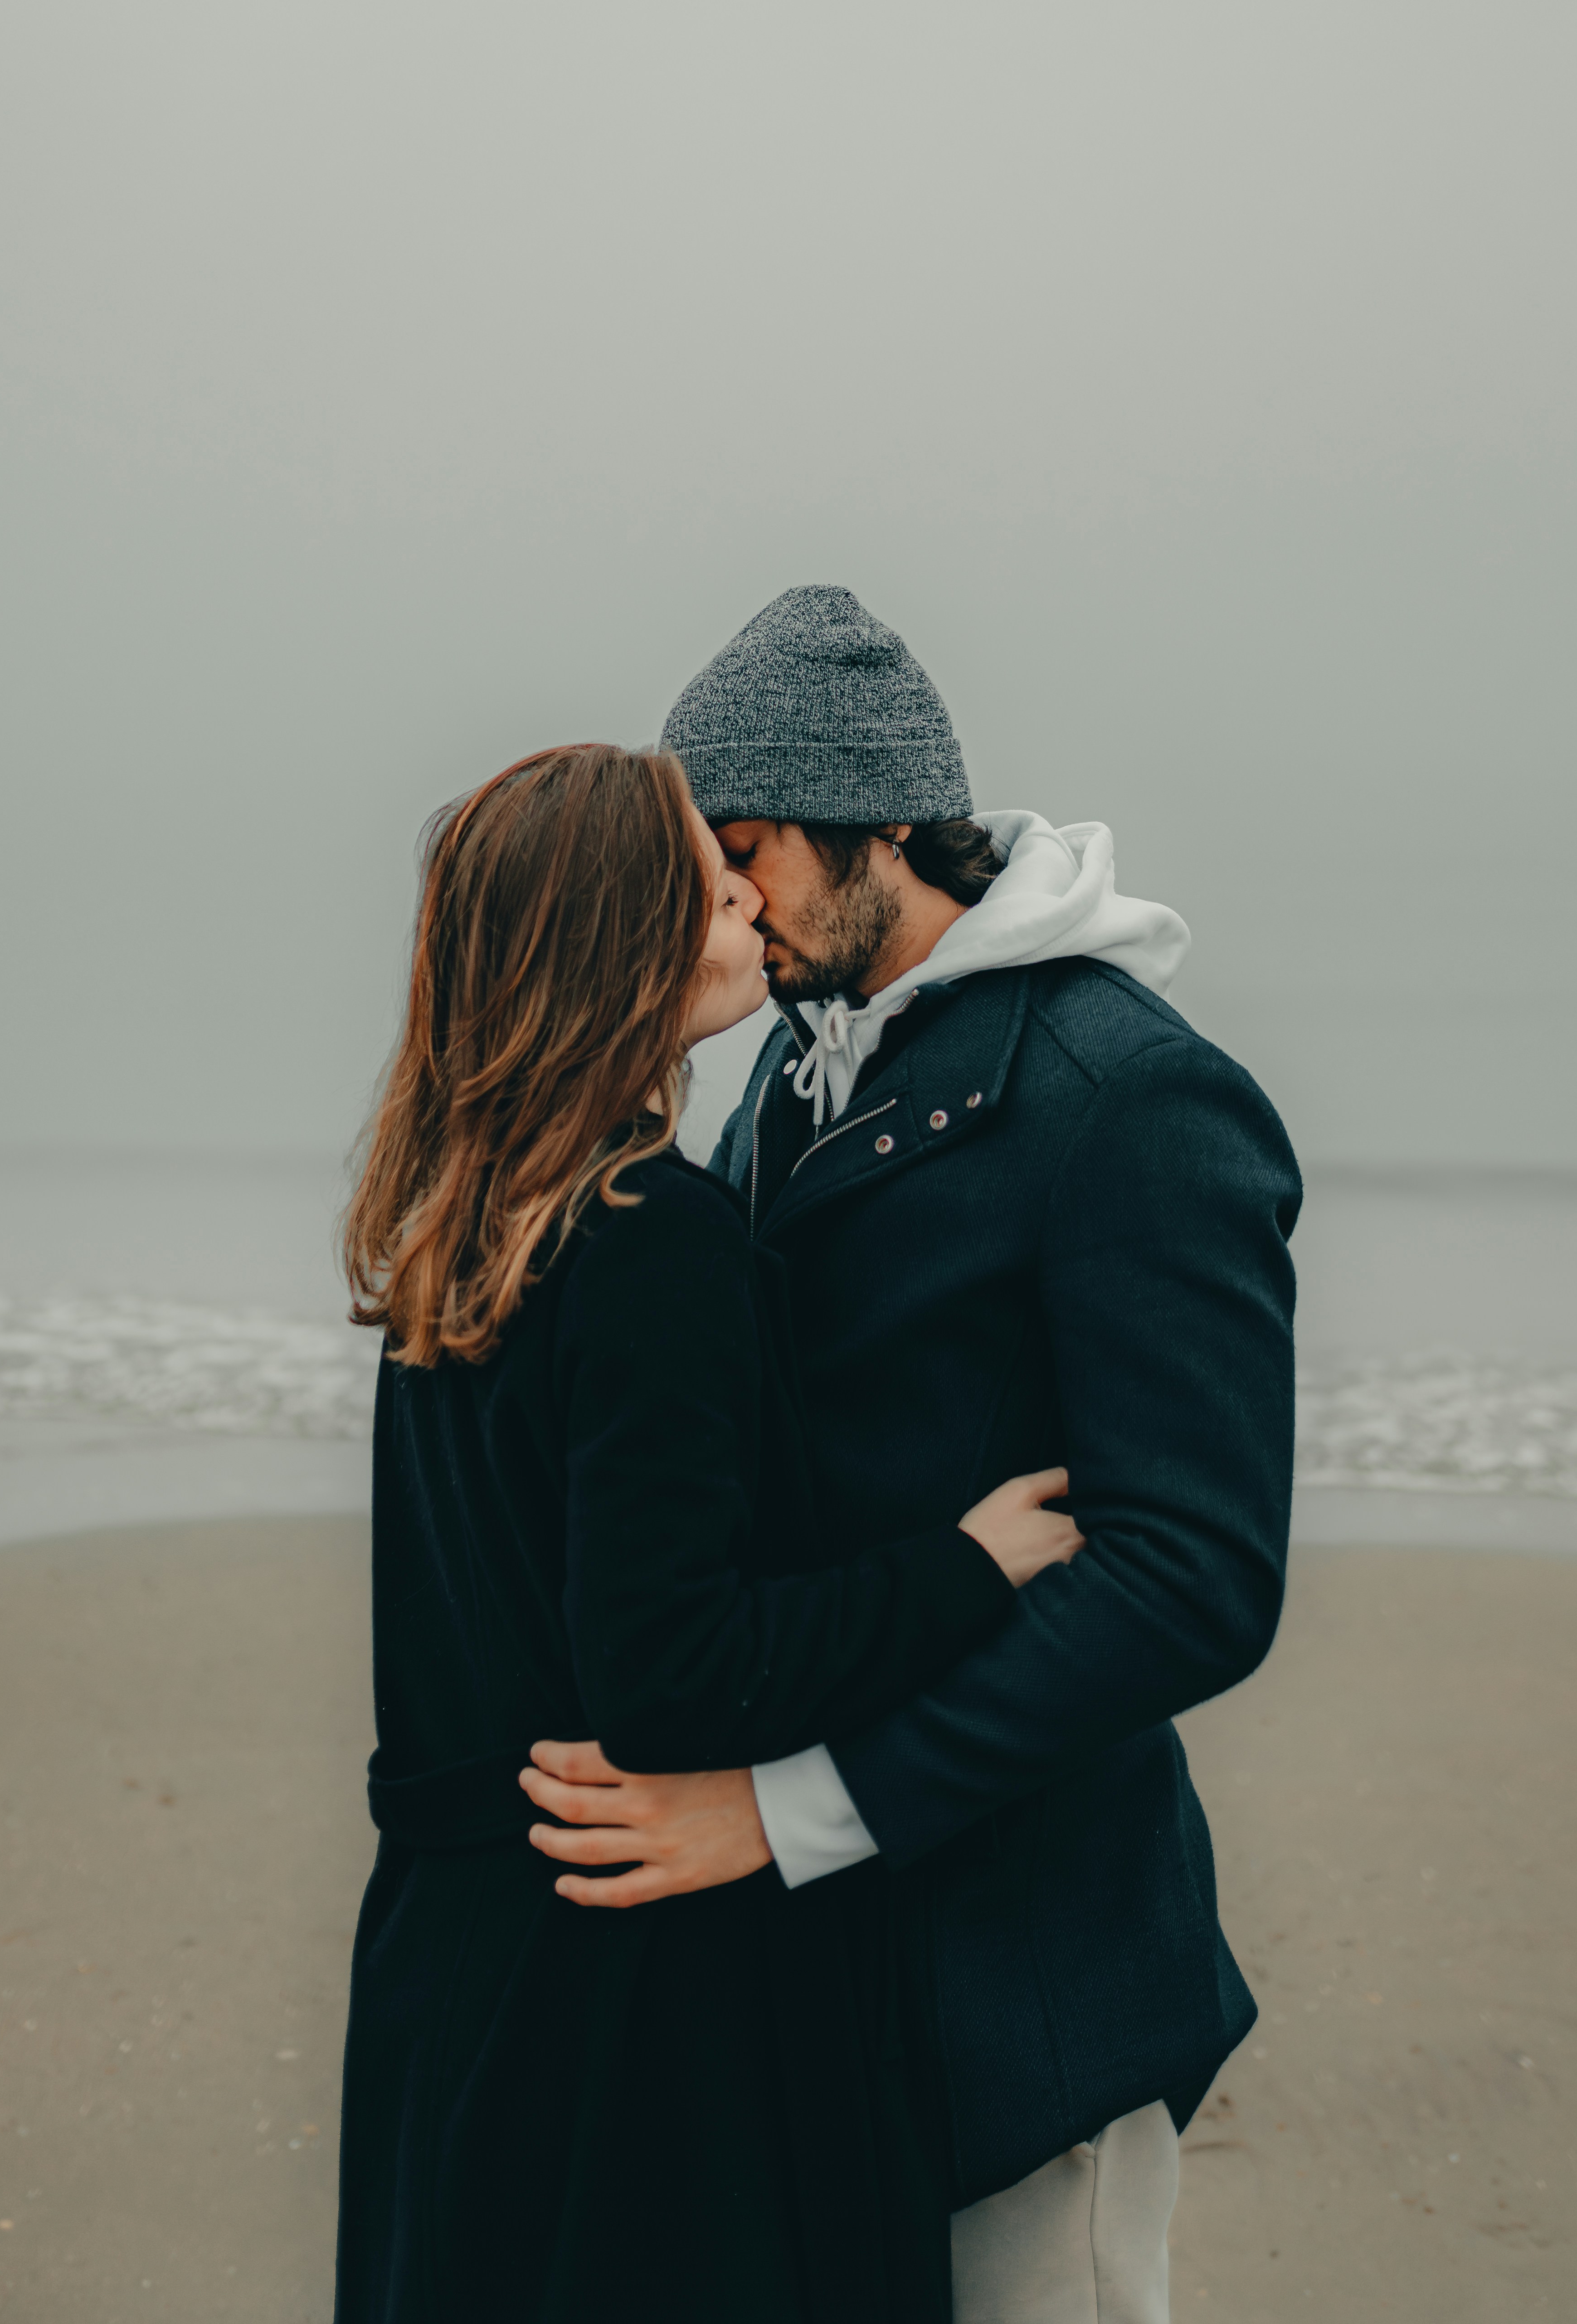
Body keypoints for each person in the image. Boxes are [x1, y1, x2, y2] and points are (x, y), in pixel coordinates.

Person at [518, 589, 1302, 2324]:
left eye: (744, 853)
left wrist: (790, 1816)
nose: (718, 905)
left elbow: (1197, 1582)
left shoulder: (1131, 1098)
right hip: (831, 1986)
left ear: (875, 826)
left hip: (1031, 1977)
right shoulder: (795, 1060)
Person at [331, 737, 1085, 2324]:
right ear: (628, 932)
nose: (745, 891)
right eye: (707, 864)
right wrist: (961, 1569)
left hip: (449, 1959)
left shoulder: (461, 1222)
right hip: (625, 1990)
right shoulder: (649, 1237)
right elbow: (674, 1674)